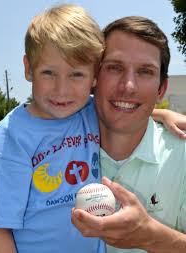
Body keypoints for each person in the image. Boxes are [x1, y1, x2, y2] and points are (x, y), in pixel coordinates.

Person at [0, 4, 105, 253]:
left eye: (76, 75)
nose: (62, 90)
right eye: (49, 73)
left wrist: (163, 114)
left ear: (95, 75)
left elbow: (126, 113)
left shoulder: (91, 112)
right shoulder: (11, 136)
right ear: (28, 68)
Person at [71, 16, 186, 253]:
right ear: (94, 78)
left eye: (145, 71)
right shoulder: (49, 148)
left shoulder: (182, 155)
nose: (128, 86)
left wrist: (153, 237)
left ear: (161, 89)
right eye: (114, 67)